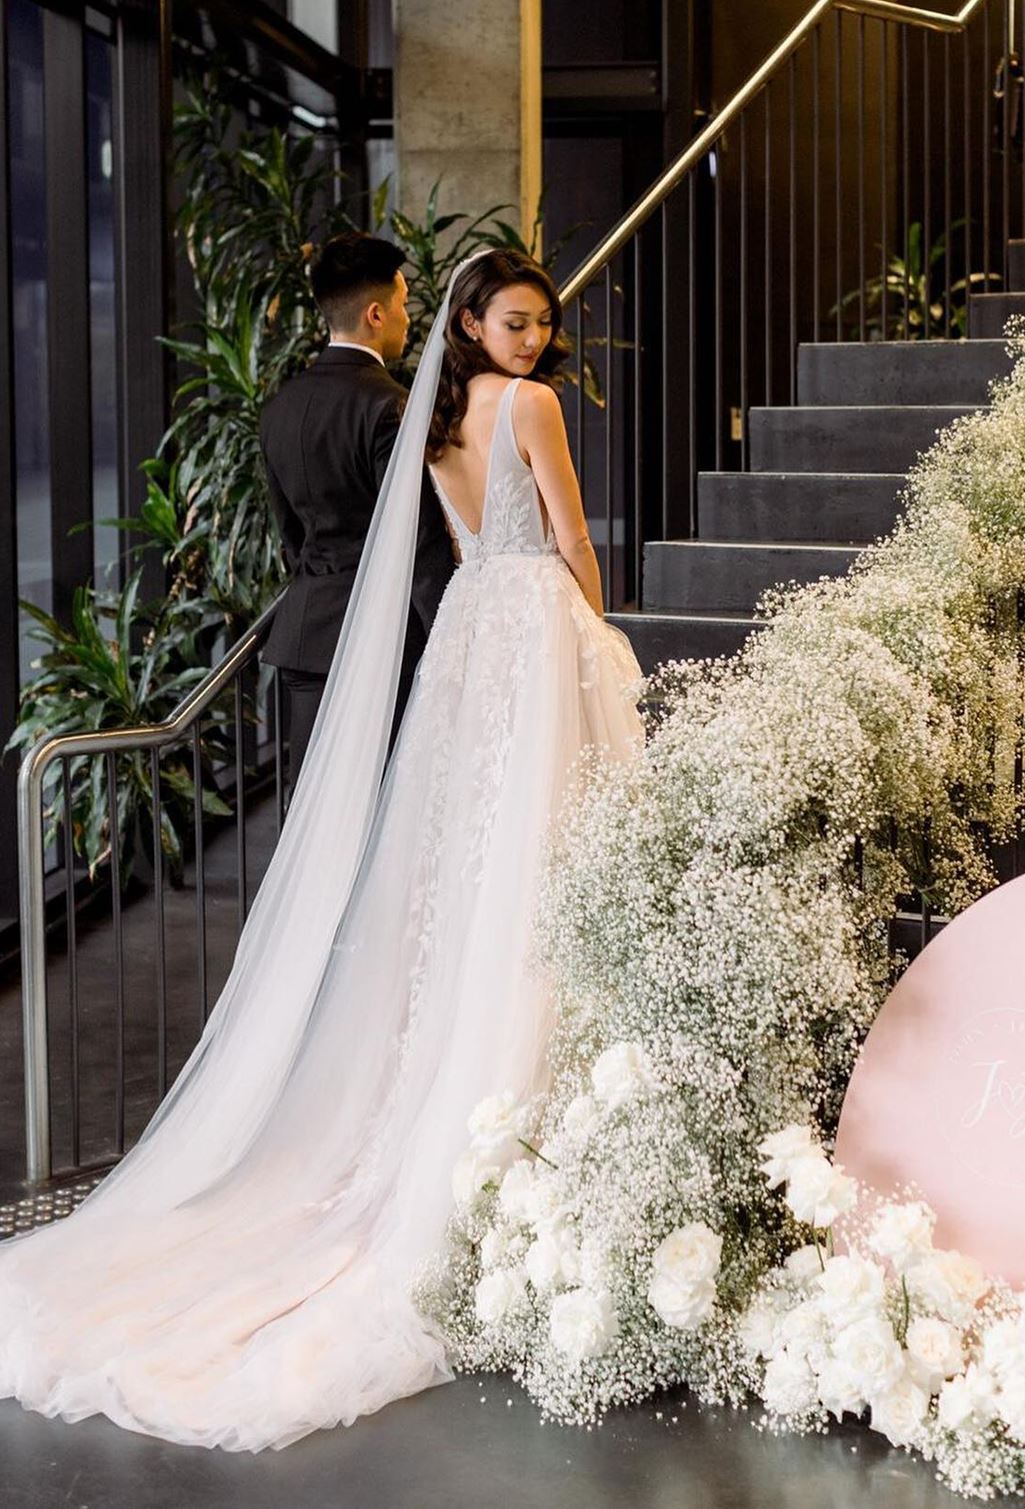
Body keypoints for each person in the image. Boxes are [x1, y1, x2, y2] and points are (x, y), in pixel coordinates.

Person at [0, 247, 643, 1452]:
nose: (535, 336)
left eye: (540, 323)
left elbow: (353, 531)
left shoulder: (381, 409)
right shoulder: (499, 405)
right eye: (516, 318)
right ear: (444, 313)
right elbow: (568, 537)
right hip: (498, 630)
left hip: (408, 640)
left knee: (438, 866)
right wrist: (596, 636)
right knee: (520, 846)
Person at [259, 233, 456, 791]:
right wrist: (452, 633)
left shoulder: (281, 408)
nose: (406, 319)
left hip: (305, 635)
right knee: (381, 807)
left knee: (314, 811)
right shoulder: (389, 406)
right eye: (401, 306)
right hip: (382, 639)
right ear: (375, 313)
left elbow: (292, 539)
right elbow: (419, 543)